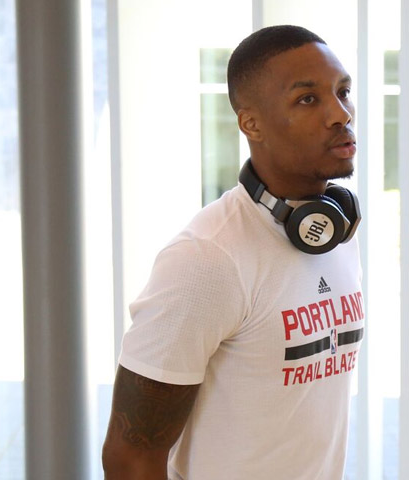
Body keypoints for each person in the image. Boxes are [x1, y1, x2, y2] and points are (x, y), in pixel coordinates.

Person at [102, 24, 365, 480]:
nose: (340, 114)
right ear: (251, 123)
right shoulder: (207, 259)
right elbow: (130, 456)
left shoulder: (336, 234)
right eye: (308, 99)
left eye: (342, 92)